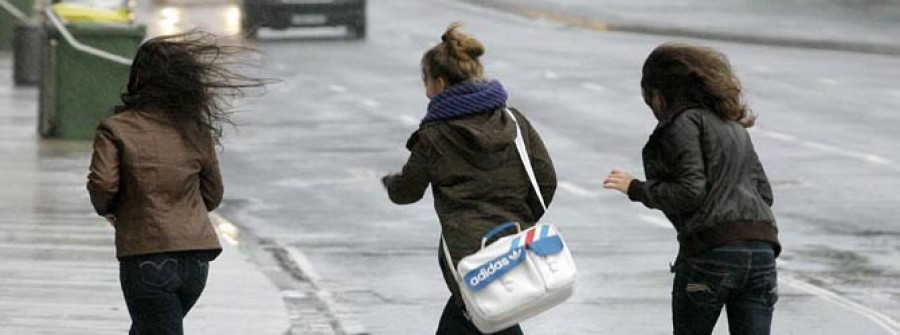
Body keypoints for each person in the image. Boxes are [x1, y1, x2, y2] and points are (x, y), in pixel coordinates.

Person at [87, 32, 268, 335]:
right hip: (196, 263)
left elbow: (103, 184)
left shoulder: (116, 129)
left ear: (138, 78)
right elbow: (213, 193)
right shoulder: (194, 128)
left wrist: (110, 209)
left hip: (146, 256)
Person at [382, 23, 557, 335]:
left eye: (426, 82)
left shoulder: (433, 135)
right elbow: (545, 181)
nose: (425, 92)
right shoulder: (513, 121)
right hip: (513, 243)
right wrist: (518, 218)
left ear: (440, 82)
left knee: (485, 319)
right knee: (493, 319)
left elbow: (407, 191)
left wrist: (390, 183)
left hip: (468, 255)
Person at [602, 42, 781, 335]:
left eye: (649, 97)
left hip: (712, 253)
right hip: (761, 251)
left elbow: (690, 191)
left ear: (660, 93)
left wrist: (635, 188)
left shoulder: (683, 122)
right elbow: (765, 195)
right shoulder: (734, 127)